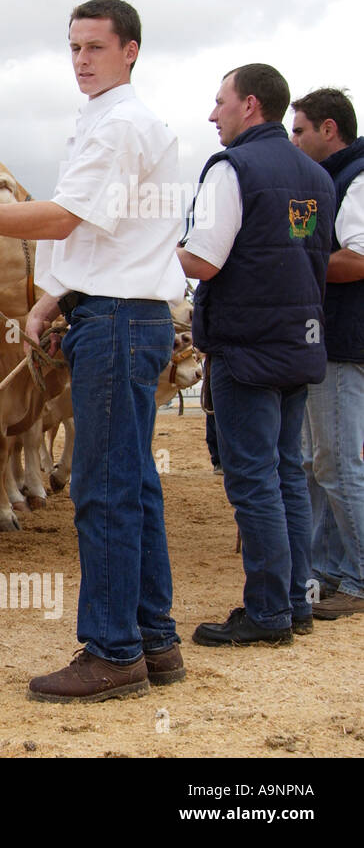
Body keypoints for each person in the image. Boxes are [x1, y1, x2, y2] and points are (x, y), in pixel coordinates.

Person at [0, 0, 186, 702]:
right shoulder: (108, 122)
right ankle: (154, 640)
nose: (81, 59)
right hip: (118, 311)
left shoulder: (119, 126)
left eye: (96, 47)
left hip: (116, 321)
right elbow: (93, 234)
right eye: (74, 47)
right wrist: (51, 297)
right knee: (134, 483)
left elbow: (62, 216)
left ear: (132, 50)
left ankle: (112, 652)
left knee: (106, 488)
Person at [179, 64, 334, 645]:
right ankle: (296, 601)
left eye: (219, 102)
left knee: (253, 480)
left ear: (249, 105)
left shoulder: (232, 168)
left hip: (247, 350)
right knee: (287, 475)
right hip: (301, 345)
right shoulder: (315, 175)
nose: (212, 114)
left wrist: (158, 250)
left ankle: (267, 612)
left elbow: (204, 261)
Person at [289, 87, 364, 620]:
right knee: (320, 463)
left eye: (300, 130)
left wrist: (299, 265)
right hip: (327, 338)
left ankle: (358, 579)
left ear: (330, 129)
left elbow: (358, 258)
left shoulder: (355, 179)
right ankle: (330, 571)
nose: (293, 140)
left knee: (337, 463)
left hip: (343, 339)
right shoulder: (325, 183)